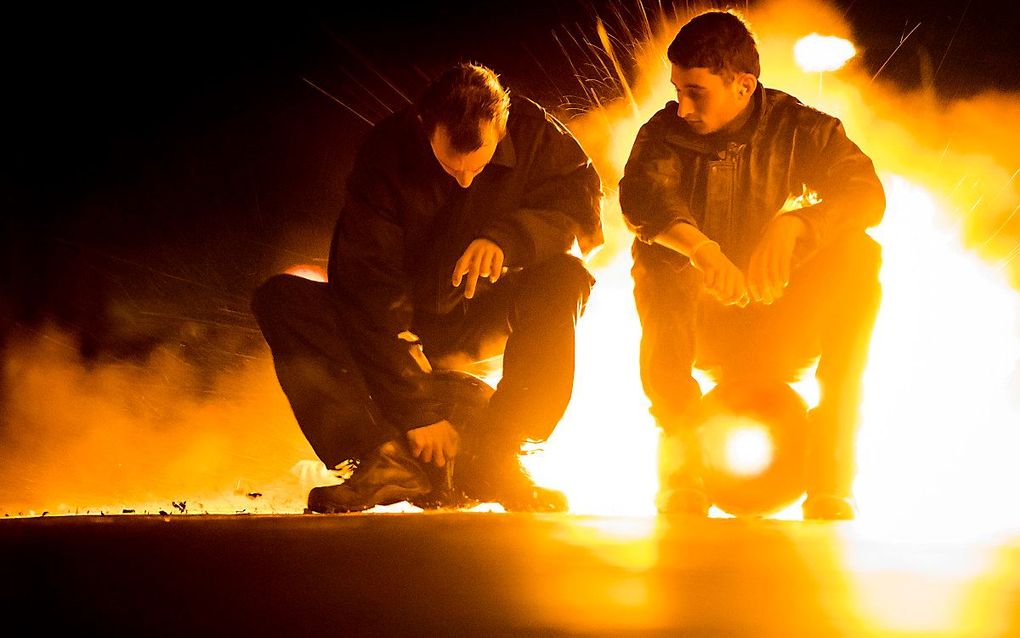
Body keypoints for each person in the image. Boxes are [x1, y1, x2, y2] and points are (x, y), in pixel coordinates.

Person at [253, 63, 603, 513]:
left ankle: (502, 452)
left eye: (476, 168)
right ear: (425, 125)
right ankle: (381, 456)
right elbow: (369, 288)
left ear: (503, 127)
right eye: (448, 165)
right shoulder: (385, 154)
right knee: (281, 300)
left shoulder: (539, 137)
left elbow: (585, 220)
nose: (463, 180)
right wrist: (420, 414)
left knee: (565, 277)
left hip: (481, 312)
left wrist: (508, 238)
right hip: (403, 319)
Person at [619, 11, 884, 520]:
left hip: (783, 319)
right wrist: (704, 251)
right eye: (677, 90)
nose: (683, 106)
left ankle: (830, 473)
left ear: (743, 85)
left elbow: (866, 195)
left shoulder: (803, 127)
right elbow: (641, 200)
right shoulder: (664, 134)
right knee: (655, 255)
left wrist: (796, 227)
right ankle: (682, 471)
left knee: (861, 255)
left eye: (697, 92)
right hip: (706, 322)